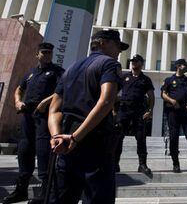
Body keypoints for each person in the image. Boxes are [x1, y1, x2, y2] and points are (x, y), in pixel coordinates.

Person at [48, 29, 126, 204]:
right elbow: (106, 101)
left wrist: (56, 136)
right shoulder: (109, 64)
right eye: (118, 46)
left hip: (66, 142)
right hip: (94, 141)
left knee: (63, 197)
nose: (119, 52)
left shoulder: (70, 68)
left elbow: (54, 108)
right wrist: (76, 137)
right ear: (103, 43)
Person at [3, 43, 64, 204]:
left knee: (44, 152)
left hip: (44, 117)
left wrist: (45, 102)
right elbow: (19, 89)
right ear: (37, 54)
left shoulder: (57, 72)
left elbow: (63, 89)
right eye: (44, 52)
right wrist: (17, 101)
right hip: (28, 116)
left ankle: (45, 193)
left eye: (50, 52)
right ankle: (21, 190)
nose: (47, 54)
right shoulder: (31, 73)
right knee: (24, 151)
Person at [114, 54, 154, 175]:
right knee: (118, 138)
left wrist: (150, 110)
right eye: (132, 61)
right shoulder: (124, 77)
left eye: (136, 61)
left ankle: (142, 165)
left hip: (139, 112)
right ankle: (115, 164)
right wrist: (113, 110)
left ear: (141, 63)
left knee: (141, 139)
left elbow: (151, 96)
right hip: (123, 111)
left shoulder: (145, 79)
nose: (133, 63)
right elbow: (113, 92)